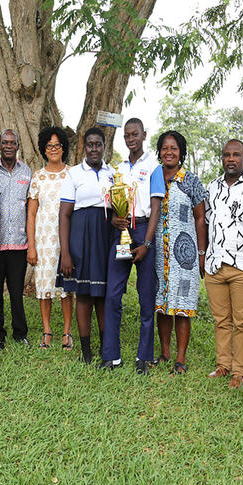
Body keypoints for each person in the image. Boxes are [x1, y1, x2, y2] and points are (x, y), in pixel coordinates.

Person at [204, 139, 243, 388]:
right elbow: (206, 222)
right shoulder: (211, 188)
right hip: (215, 263)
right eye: (226, 155)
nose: (231, 159)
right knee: (221, 319)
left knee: (242, 322)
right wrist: (204, 253)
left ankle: (239, 371)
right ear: (222, 158)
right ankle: (223, 365)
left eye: (236, 155)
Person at [99, 118, 162, 375]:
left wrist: (147, 243)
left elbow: (156, 207)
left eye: (135, 134)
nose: (130, 139)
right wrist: (113, 218)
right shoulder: (119, 168)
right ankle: (111, 356)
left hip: (144, 230)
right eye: (126, 135)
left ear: (144, 135)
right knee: (113, 294)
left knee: (146, 297)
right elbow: (113, 201)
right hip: (122, 231)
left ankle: (143, 357)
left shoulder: (154, 166)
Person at [152, 130, 207, 375]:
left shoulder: (191, 180)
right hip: (158, 254)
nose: (169, 152)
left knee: (182, 305)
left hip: (185, 257)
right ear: (159, 152)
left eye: (174, 148)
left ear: (181, 152)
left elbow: (200, 217)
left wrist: (201, 251)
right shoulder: (153, 178)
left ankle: (181, 358)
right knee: (161, 304)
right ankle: (164, 353)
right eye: (165, 148)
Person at [57, 127, 114, 364]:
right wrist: (66, 253)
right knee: (83, 295)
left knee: (102, 295)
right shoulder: (74, 174)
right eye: (89, 144)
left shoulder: (113, 173)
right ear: (83, 147)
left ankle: (105, 349)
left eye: (98, 144)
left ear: (104, 146)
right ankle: (86, 352)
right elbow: (64, 215)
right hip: (80, 237)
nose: (94, 148)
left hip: (105, 235)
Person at [26, 127, 74, 350]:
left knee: (66, 287)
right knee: (44, 286)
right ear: (44, 149)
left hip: (66, 240)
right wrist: (32, 247)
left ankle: (67, 331)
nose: (53, 149)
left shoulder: (72, 174)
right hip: (43, 241)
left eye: (57, 145)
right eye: (49, 146)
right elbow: (32, 213)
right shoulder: (38, 176)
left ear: (63, 148)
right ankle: (47, 330)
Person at [0, 130, 32, 349]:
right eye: (4, 142)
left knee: (16, 292)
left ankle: (20, 333)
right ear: (0, 145)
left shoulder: (27, 172)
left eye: (12, 143)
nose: (8, 146)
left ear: (17, 145)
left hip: (19, 243)